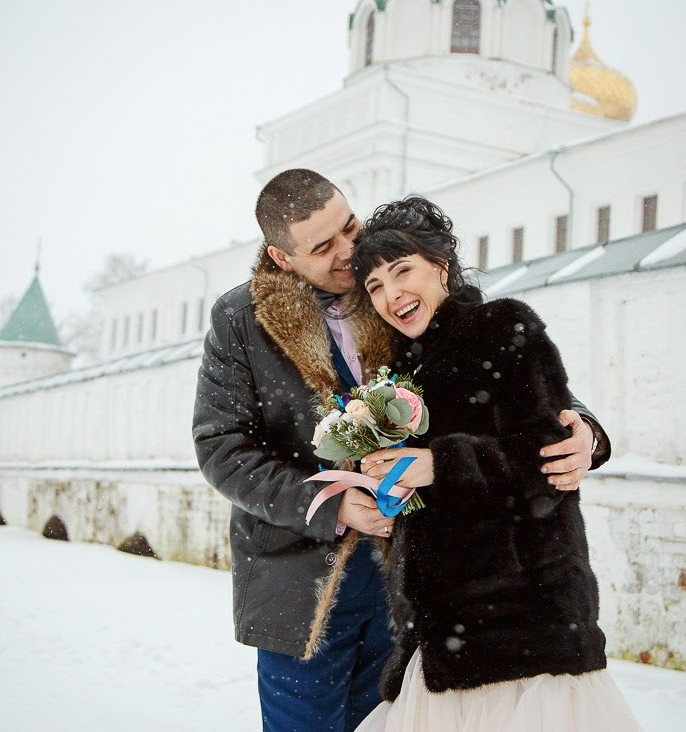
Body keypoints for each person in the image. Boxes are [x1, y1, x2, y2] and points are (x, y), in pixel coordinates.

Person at [192, 169, 611, 731]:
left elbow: (505, 364)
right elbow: (221, 447)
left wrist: (585, 428)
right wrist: (327, 505)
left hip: (411, 588)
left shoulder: (394, 283)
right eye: (324, 247)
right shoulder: (239, 319)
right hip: (303, 584)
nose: (349, 251)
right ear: (282, 256)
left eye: (349, 226)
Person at [349, 196, 640, 731]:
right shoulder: (396, 374)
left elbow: (548, 465)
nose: (392, 295)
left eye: (402, 271)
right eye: (374, 286)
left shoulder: (504, 329)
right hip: (441, 640)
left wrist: (442, 464)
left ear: (440, 265)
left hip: (523, 639)